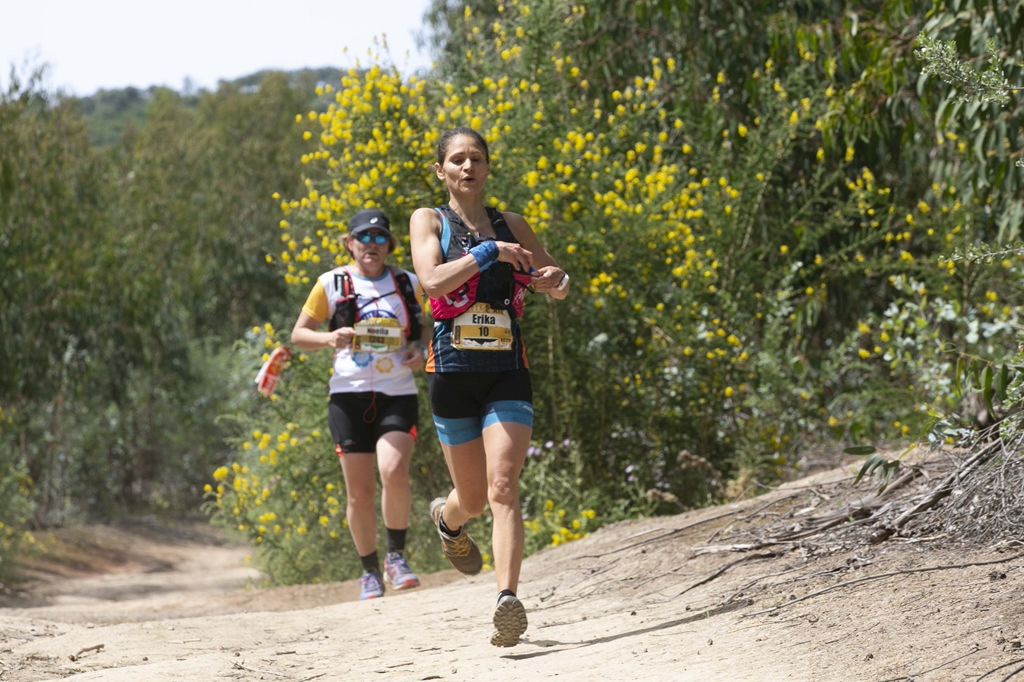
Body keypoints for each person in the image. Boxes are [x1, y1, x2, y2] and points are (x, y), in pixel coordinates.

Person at [408, 127, 570, 647]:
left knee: (502, 486)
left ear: (487, 166)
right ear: (441, 170)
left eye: (476, 158)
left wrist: (553, 281)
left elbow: (555, 278)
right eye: (457, 159)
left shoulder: (512, 224)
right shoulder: (429, 220)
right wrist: (489, 253)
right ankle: (447, 519)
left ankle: (507, 600)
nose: (467, 167)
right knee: (474, 500)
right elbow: (433, 281)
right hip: (452, 373)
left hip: (506, 371)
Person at [291, 208, 426, 600]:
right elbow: (299, 334)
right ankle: (369, 572)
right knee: (360, 493)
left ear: (390, 245)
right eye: (363, 237)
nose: (372, 245)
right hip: (348, 395)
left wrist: (420, 350)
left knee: (394, 469)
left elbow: (427, 326)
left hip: (397, 390)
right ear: (349, 243)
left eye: (380, 237)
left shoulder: (408, 282)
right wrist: (329, 338)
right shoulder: (331, 283)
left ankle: (396, 556)